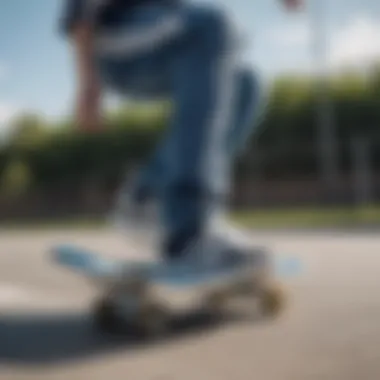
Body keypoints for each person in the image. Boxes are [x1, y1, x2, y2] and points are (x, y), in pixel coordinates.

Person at [60, 0, 302, 267]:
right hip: (113, 38)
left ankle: (147, 196)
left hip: (164, 35)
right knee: (210, 25)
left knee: (244, 85)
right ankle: (190, 232)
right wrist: (87, 83)